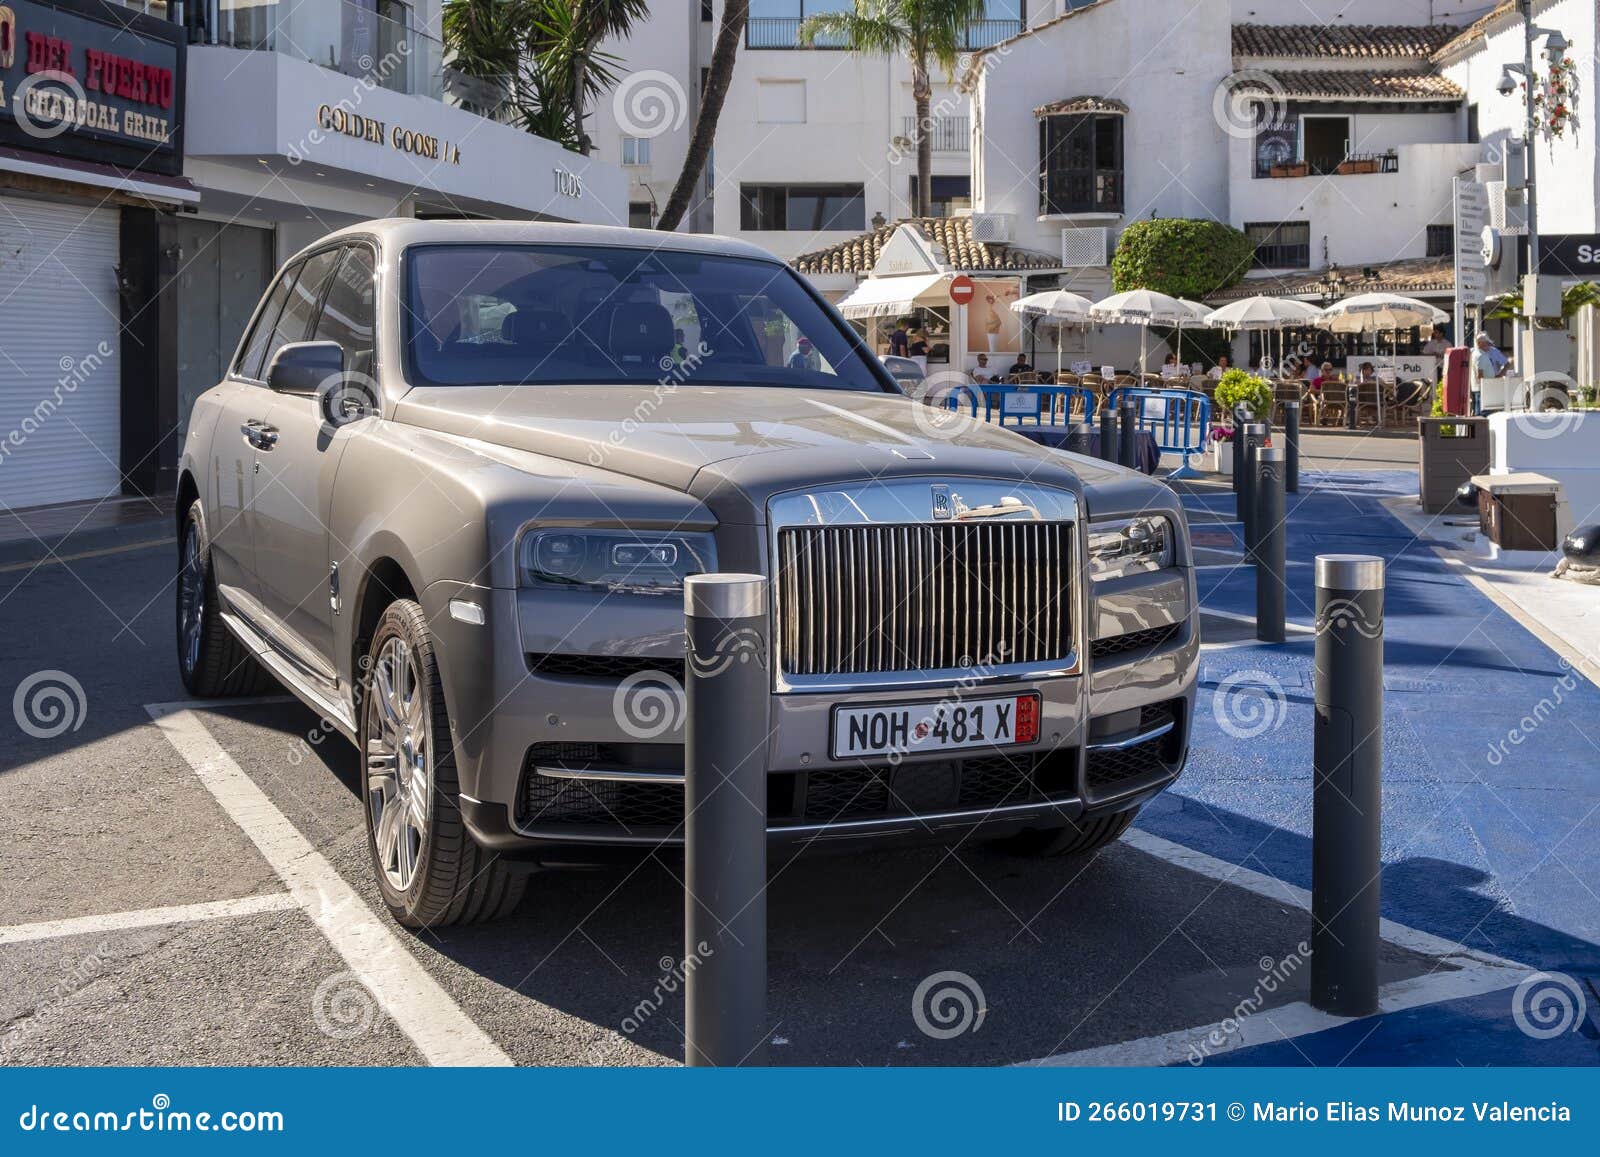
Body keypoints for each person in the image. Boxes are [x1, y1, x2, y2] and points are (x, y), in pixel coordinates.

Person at [1470, 332, 1508, 415]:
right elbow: (1479, 375)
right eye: (1486, 343)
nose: (1489, 345)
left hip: (1481, 388)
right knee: (1484, 413)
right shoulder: (1480, 355)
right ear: (1479, 343)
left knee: (1481, 412)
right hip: (1484, 388)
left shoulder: (1477, 353)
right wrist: (1487, 385)